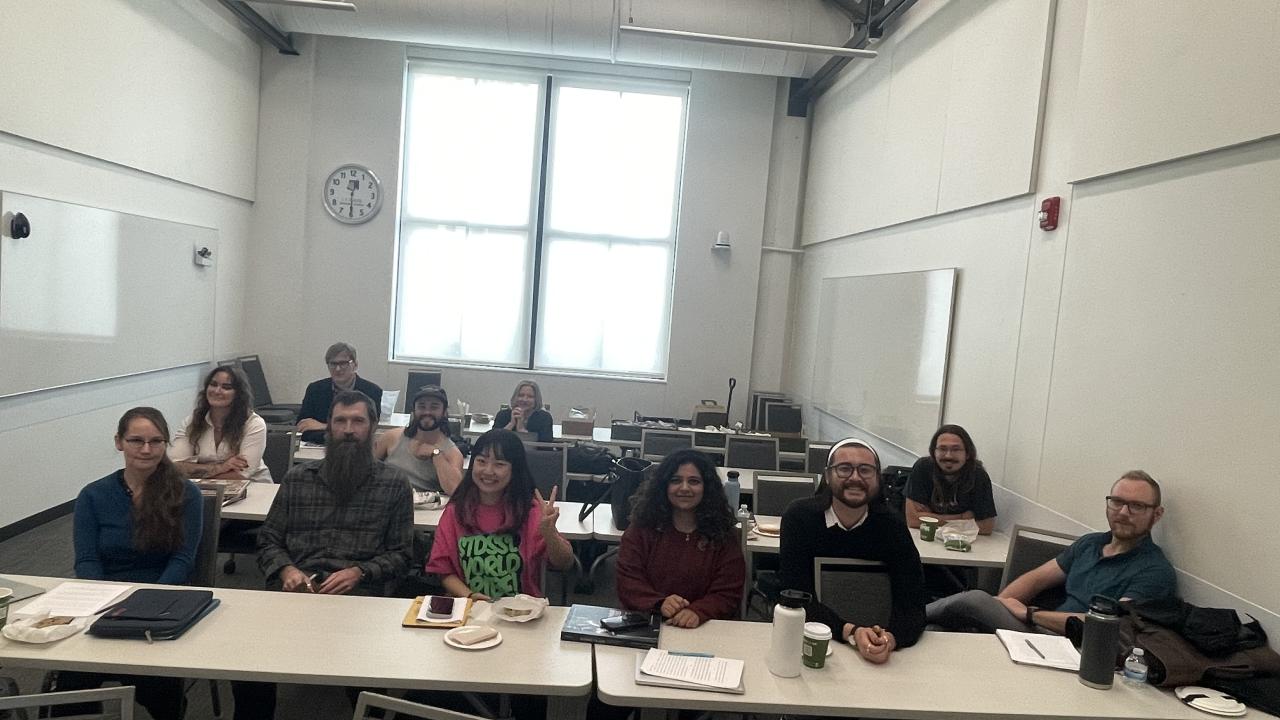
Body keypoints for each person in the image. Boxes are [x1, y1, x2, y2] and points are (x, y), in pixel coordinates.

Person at [236, 391, 414, 720]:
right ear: (329, 427)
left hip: (359, 601)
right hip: (293, 594)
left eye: (358, 421)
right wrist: (287, 569)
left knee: (369, 679)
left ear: (373, 427)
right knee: (245, 662)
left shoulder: (394, 485)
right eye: (340, 421)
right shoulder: (297, 479)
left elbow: (402, 555)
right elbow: (269, 539)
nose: (348, 429)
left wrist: (360, 572)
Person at [60, 407, 203, 720]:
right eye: (137, 440)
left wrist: (146, 602)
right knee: (70, 683)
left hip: (161, 599)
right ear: (119, 442)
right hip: (102, 601)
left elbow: (182, 559)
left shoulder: (186, 494)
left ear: (166, 444)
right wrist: (102, 602)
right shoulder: (93, 495)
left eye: (156, 441)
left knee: (158, 687)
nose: (147, 449)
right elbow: (86, 560)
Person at [927, 470, 1176, 635]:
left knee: (973, 601)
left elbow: (1108, 626)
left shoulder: (1154, 570)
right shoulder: (1090, 544)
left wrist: (1030, 613)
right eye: (1117, 502)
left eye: (1136, 506)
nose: (1123, 512)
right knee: (937, 630)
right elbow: (1035, 579)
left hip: (1074, 644)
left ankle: (903, 618)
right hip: (1041, 629)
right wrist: (1001, 606)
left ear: (1157, 514)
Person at [779, 438, 926, 664]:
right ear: (827, 476)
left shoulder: (892, 526)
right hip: (816, 642)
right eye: (844, 469)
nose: (855, 478)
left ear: (878, 479)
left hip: (880, 650)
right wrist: (851, 632)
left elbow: (913, 604)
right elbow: (796, 595)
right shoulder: (800, 518)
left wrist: (890, 639)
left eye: (865, 470)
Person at [425, 429, 574, 600]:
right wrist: (470, 596)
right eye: (481, 461)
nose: (488, 471)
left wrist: (550, 534)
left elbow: (565, 563)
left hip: (522, 614)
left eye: (499, 464)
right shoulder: (456, 511)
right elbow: (443, 570)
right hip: (468, 610)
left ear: (515, 470)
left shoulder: (529, 510)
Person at [614, 449, 744, 627]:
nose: (684, 488)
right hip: (648, 624)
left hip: (706, 628)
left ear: (706, 487)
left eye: (694, 481)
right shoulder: (641, 529)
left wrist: (698, 611)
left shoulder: (724, 534)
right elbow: (628, 582)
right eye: (675, 480)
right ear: (664, 486)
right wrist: (659, 603)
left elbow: (728, 592)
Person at [169, 364, 272, 483]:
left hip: (254, 489)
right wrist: (220, 468)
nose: (217, 391)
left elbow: (240, 476)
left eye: (226, 387)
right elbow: (174, 467)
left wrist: (193, 472)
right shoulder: (192, 421)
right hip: (204, 490)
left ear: (239, 394)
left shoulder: (254, 424)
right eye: (213, 385)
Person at [904, 424, 996, 534]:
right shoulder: (923, 468)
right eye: (942, 449)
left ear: (967, 454)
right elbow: (913, 520)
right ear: (934, 452)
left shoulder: (978, 476)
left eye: (956, 449)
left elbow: (986, 526)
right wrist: (962, 518)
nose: (948, 456)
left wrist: (930, 517)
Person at [374, 384, 464, 494]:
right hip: (385, 498)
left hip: (423, 508)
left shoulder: (452, 453)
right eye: (422, 406)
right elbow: (366, 468)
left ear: (444, 412)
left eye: (434, 407)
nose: (427, 412)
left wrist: (436, 455)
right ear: (414, 410)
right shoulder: (391, 437)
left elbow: (455, 491)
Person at [296, 342, 383, 443]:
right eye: (333, 364)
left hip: (357, 451)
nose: (337, 369)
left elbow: (368, 430)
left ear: (355, 365)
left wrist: (324, 426)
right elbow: (303, 427)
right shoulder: (315, 390)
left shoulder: (372, 391)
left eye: (343, 363)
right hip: (318, 448)